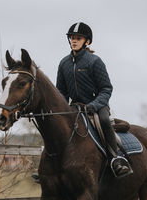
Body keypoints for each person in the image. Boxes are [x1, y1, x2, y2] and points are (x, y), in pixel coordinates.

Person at [56, 22, 132, 178]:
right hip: (74, 108)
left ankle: (115, 159)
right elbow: (61, 91)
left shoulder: (95, 61)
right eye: (72, 38)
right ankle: (52, 166)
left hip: (97, 107)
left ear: (87, 41)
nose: (74, 41)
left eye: (78, 38)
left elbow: (106, 89)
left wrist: (94, 105)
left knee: (104, 120)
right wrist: (60, 108)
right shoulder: (63, 63)